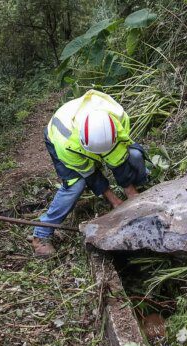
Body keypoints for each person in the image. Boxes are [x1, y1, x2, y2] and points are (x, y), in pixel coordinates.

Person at [32, 89, 148, 257]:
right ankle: (41, 235)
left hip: (97, 137)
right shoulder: (66, 143)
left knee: (134, 155)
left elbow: (118, 159)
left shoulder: (117, 117)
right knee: (76, 186)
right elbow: (90, 173)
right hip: (56, 136)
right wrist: (115, 201)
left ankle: (139, 189)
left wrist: (132, 196)